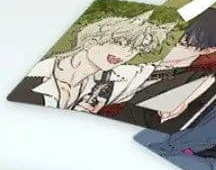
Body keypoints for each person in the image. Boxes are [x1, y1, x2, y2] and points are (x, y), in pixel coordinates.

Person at [96, 6, 216, 130]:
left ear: (209, 50)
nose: (168, 45)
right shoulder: (133, 51)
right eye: (171, 36)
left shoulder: (195, 82)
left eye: (182, 43)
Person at [7, 12, 172, 110]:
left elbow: (155, 70)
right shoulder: (36, 75)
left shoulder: (114, 80)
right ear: (92, 40)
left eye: (135, 48)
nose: (125, 52)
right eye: (119, 42)